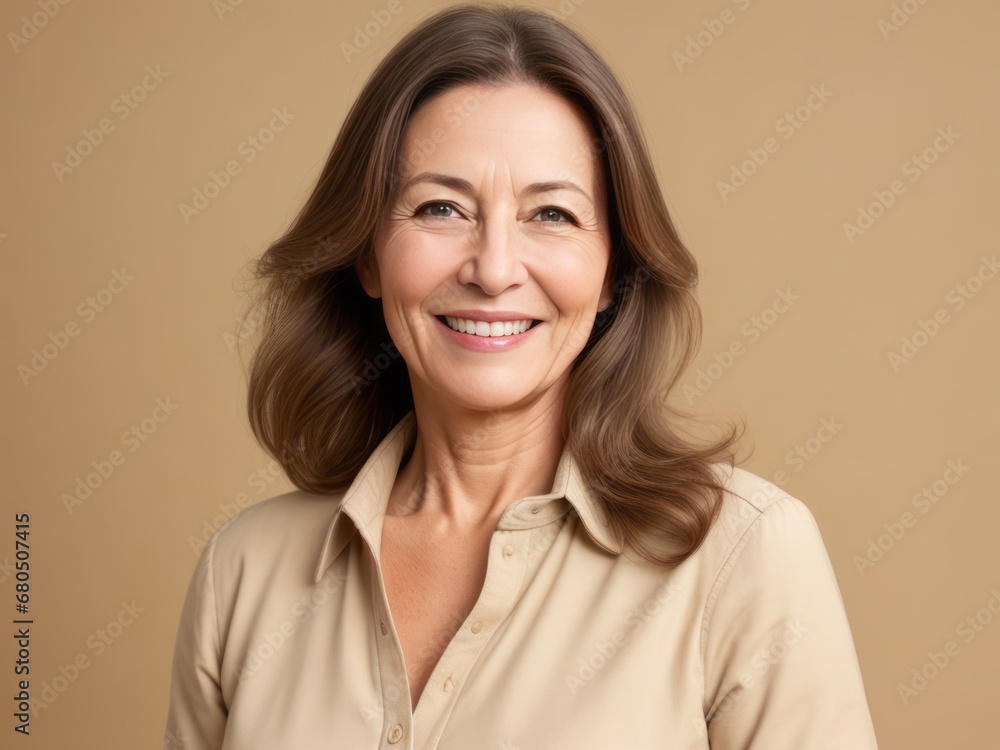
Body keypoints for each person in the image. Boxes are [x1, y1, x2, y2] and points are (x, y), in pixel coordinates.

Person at [164, 4, 879, 749]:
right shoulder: (242, 573)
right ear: (369, 254)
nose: (495, 269)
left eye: (552, 215)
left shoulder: (744, 557)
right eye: (441, 207)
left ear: (613, 274)